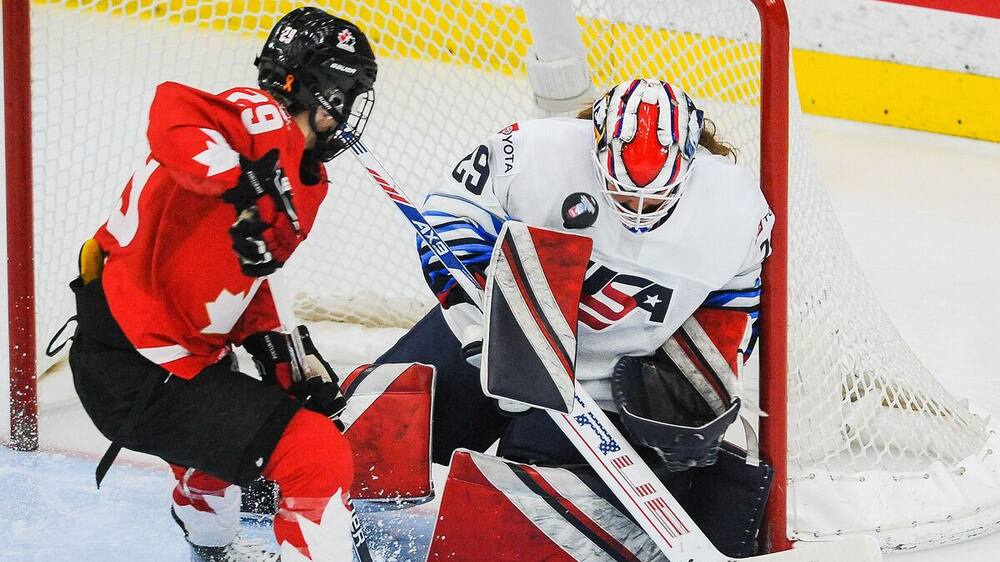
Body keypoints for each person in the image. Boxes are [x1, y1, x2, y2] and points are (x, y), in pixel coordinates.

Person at [377, 78, 775, 557]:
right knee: (383, 428)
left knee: (525, 522)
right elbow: (449, 212)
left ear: (689, 166)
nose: (638, 211)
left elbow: (737, 298)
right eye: (623, 195)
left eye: (654, 198)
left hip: (598, 393)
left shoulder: (736, 207)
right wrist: (485, 314)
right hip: (492, 335)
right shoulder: (531, 151)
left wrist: (697, 387)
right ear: (597, 149)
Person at [68, 8, 377, 561]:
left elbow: (246, 277)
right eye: (348, 93)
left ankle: (211, 549)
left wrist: (280, 360)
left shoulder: (306, 177)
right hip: (141, 361)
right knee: (316, 455)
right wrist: (242, 182)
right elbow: (172, 113)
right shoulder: (261, 118)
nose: (349, 113)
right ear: (324, 88)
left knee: (240, 412)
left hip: (153, 359)